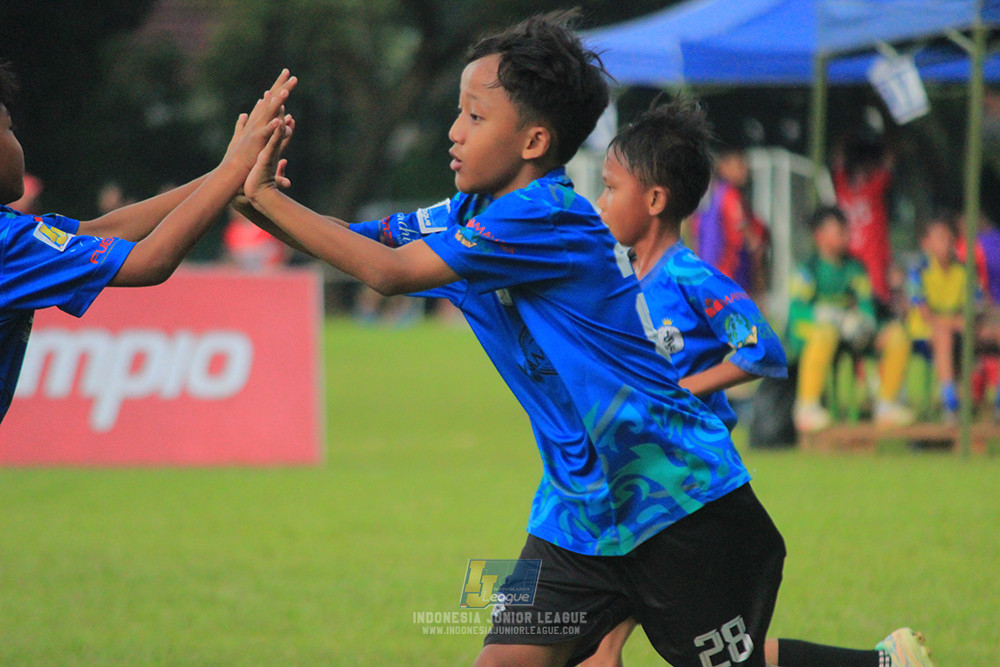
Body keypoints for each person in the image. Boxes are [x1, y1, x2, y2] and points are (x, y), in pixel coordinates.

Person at [243, 12, 786, 666]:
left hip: (677, 506)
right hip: (577, 514)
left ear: (532, 141)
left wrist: (262, 198)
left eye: (474, 116)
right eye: (458, 113)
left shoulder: (544, 215)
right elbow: (363, 241)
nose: (453, 131)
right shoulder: (470, 212)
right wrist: (252, 193)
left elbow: (389, 273)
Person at [581, 99, 933, 667]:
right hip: (636, 486)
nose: (599, 204)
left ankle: (883, 663)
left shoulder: (687, 274)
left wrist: (683, 390)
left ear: (653, 201)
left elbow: (762, 347)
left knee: (714, 658)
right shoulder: (625, 281)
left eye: (609, 188)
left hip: (684, 491)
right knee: (608, 650)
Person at [0, 61, 296, 424]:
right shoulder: (7, 242)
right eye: (9, 129)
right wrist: (237, 167)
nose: (16, 142)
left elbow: (103, 231)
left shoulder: (10, 228)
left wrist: (227, 173)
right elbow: (150, 260)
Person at [786, 206, 913, 433]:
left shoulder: (855, 268)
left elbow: (866, 303)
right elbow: (797, 311)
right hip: (813, 335)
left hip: (851, 333)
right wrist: (826, 315)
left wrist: (864, 321)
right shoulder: (808, 269)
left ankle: (887, 405)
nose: (846, 236)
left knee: (897, 335)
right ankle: (807, 407)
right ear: (820, 235)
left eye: (846, 230)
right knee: (826, 333)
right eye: (839, 231)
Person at [906, 216, 998, 422]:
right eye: (940, 239)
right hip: (926, 334)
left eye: (949, 239)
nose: (946, 245)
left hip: (962, 330)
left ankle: (997, 402)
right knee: (944, 335)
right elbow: (925, 315)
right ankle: (951, 404)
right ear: (926, 244)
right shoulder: (918, 271)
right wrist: (956, 322)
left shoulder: (964, 270)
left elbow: (976, 306)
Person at [692, 147, 769, 298]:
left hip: (714, 269)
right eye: (739, 165)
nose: (745, 170)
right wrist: (756, 246)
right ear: (724, 166)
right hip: (731, 270)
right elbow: (740, 224)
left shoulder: (714, 194)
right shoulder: (730, 195)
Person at [832, 131, 894, 306]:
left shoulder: (874, 188)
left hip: (872, 256)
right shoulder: (842, 187)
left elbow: (888, 164)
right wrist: (846, 135)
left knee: (877, 297)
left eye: (865, 170)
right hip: (848, 256)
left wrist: (884, 135)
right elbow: (839, 163)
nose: (860, 174)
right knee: (849, 299)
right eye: (857, 170)